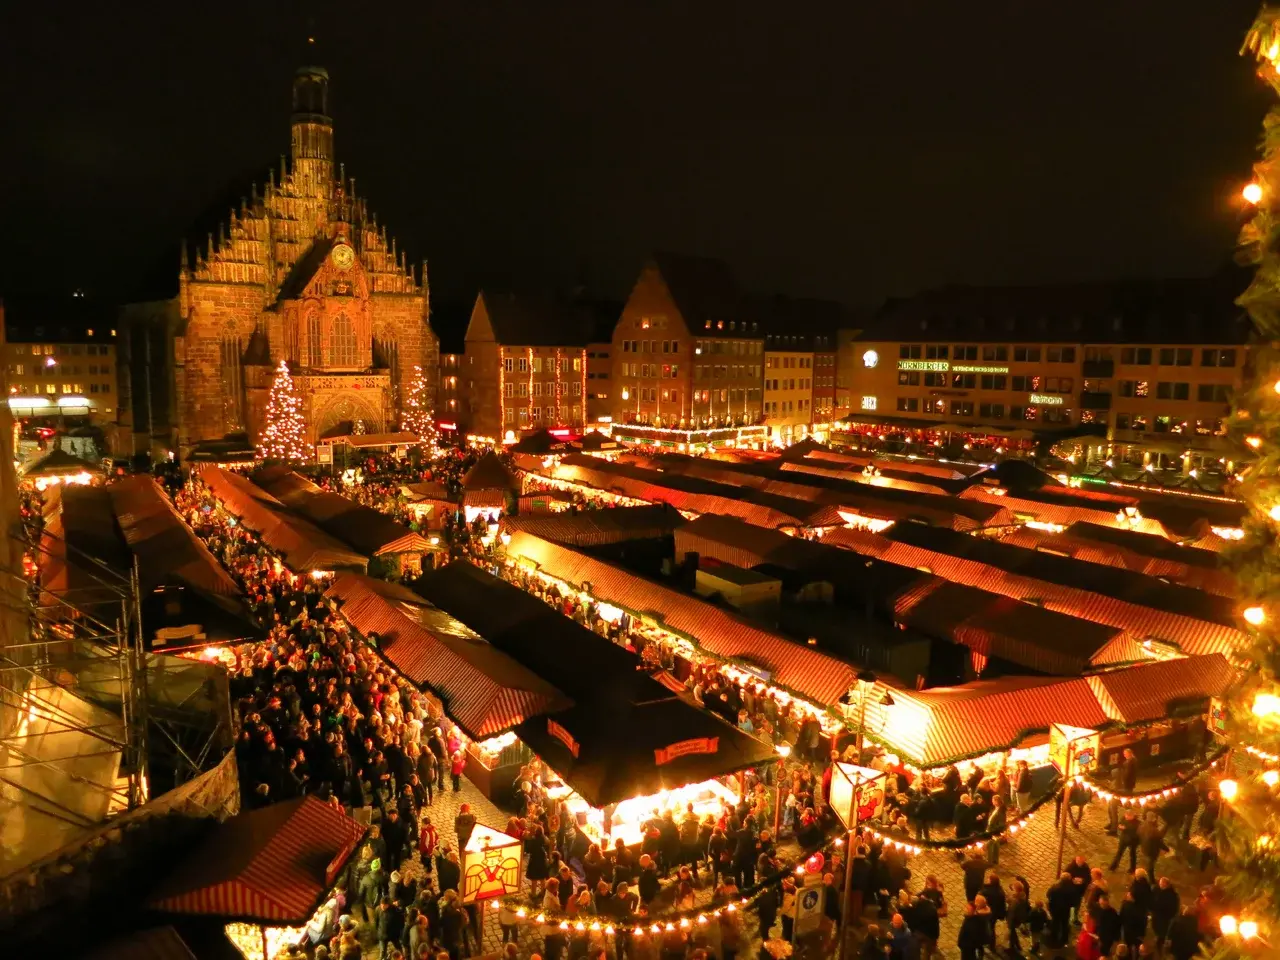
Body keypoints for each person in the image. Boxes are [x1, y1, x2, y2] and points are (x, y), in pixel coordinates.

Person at [1150, 876, 1179, 953]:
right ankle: (1157, 936)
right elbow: (1151, 898)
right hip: (1156, 915)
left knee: (1162, 931)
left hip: (1164, 918)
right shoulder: (1156, 889)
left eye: (1162, 884)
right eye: (1160, 884)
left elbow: (1174, 908)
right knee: (1155, 927)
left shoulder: (1172, 895)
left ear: (1167, 885)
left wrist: (1170, 915)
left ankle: (1159, 943)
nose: (1160, 885)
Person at [1048, 872, 1075, 948]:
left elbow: (1048, 894)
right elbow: (1073, 902)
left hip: (1055, 909)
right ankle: (1064, 938)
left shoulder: (1055, 886)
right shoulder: (1071, 889)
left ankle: (1053, 938)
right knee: (1064, 923)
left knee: (1055, 923)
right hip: (1065, 910)